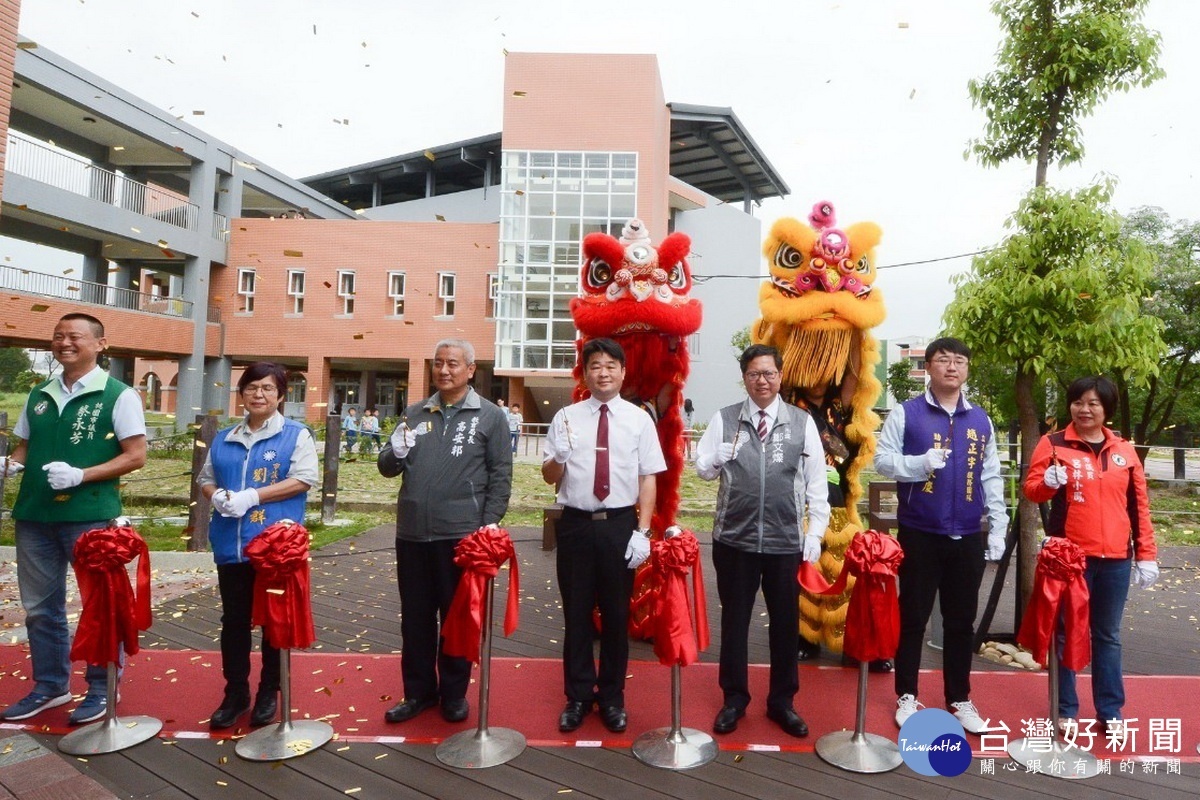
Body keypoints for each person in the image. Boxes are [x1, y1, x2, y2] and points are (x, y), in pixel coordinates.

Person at [0, 313, 147, 725]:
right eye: (58, 336)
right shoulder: (39, 394)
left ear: (100, 344)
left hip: (90, 517)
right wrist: (10, 464)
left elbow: (136, 455)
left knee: (100, 606)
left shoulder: (118, 395)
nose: (65, 342)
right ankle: (50, 685)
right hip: (35, 514)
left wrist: (83, 475)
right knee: (38, 608)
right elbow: (26, 447)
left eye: (75, 337)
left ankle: (102, 687)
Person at [694, 344, 830, 738]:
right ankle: (734, 699)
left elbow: (817, 485)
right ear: (745, 378)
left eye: (769, 373)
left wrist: (815, 535)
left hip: (785, 541)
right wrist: (716, 457)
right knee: (735, 622)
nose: (762, 380)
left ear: (781, 376)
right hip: (734, 541)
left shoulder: (802, 422)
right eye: (754, 374)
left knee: (785, 625)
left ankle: (782, 701)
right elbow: (702, 470)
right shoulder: (725, 419)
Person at [874, 337, 1008, 735]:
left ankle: (959, 698)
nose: (952, 367)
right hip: (920, 531)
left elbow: (991, 475)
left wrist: (997, 526)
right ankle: (906, 695)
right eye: (943, 360)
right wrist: (918, 463)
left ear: (967, 369)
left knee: (961, 620)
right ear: (928, 367)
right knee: (913, 615)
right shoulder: (907, 413)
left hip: (967, 533)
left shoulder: (980, 420)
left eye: (959, 361)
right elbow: (882, 460)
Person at [378, 339, 512, 724]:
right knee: (416, 618)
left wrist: (488, 524)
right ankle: (418, 692)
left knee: (457, 618)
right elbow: (387, 467)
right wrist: (397, 451)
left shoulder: (489, 416)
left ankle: (454, 694)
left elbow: (501, 475)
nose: (444, 370)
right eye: (438, 363)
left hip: (462, 537)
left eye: (452, 363)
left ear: (470, 369)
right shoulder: (415, 412)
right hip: (413, 533)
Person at [1023, 375, 1158, 738]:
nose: (1085, 409)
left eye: (1093, 403)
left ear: (1106, 410)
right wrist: (1048, 482)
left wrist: (1146, 554)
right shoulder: (1052, 444)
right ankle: (1065, 708)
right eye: (1079, 402)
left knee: (1107, 635)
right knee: (1065, 633)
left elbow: (1138, 506)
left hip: (1116, 558)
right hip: (1069, 559)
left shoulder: (1124, 451)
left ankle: (1110, 710)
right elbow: (1032, 492)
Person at [542, 338, 666, 734]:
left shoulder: (639, 419)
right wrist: (558, 458)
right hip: (576, 523)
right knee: (576, 615)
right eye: (595, 365)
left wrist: (642, 531)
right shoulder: (565, 417)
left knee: (616, 617)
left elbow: (648, 477)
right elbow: (548, 477)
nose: (603, 372)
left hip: (619, 526)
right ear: (585, 372)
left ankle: (612, 698)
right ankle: (577, 697)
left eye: (611, 365)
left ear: (623, 371)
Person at [196, 361, 318, 729]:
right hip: (232, 546)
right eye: (251, 388)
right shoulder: (225, 438)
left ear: (281, 395)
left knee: (273, 621)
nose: (259, 394)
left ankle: (269, 691)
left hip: (274, 550)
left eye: (267, 388)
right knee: (233, 621)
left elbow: (304, 478)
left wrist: (253, 496)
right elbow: (206, 477)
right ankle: (235, 692)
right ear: (242, 393)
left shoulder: (295, 434)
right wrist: (215, 496)